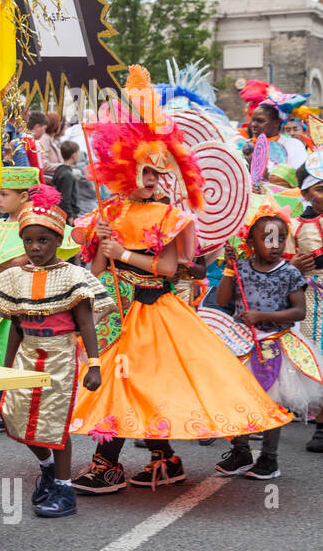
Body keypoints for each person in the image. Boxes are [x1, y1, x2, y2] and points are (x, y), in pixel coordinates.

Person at [68, 66, 292, 494]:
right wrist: (99, 249)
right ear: (122, 170)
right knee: (128, 385)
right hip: (116, 313)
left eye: (157, 173)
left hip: (154, 313)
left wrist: (125, 253)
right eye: (144, 172)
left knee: (142, 384)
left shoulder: (169, 216)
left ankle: (110, 462)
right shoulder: (108, 213)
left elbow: (170, 269)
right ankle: (162, 460)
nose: (152, 180)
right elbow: (94, 274)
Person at [0, 186, 111, 518]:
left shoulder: (73, 276)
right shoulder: (14, 278)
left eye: (44, 241)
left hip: (60, 357)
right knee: (18, 420)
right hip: (27, 354)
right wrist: (7, 370)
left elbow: (86, 324)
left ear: (57, 241)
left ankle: (65, 491)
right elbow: (16, 326)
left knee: (54, 425)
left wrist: (94, 366)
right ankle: (49, 468)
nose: (36, 247)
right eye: (29, 241)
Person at [212, 203, 323, 481]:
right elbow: (224, 300)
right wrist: (228, 269)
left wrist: (262, 315)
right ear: (250, 242)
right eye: (267, 238)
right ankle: (240, 451)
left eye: (280, 239)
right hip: (242, 343)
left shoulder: (289, 272)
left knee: (272, 400)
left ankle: (269, 458)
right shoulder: (240, 269)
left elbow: (299, 311)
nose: (275, 245)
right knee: (237, 396)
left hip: (275, 344)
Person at [0, 166, 79, 433]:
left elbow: (26, 260)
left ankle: (30, 408)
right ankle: (0, 409)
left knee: (28, 353)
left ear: (23, 196)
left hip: (30, 298)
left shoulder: (40, 222)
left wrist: (2, 265)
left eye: (4, 194)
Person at [289, 150, 323, 453]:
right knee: (309, 352)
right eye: (320, 188)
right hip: (309, 299)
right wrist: (295, 267)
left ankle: (322, 426)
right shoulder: (295, 226)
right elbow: (284, 263)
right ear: (305, 193)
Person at [240, 80, 308, 169]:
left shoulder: (293, 145)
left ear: (276, 122)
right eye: (253, 121)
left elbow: (299, 177)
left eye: (260, 121)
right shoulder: (244, 146)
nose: (254, 125)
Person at [50, 141, 82, 222]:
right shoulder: (67, 175)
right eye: (78, 153)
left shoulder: (60, 169)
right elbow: (65, 198)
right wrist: (70, 215)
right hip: (67, 215)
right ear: (74, 155)